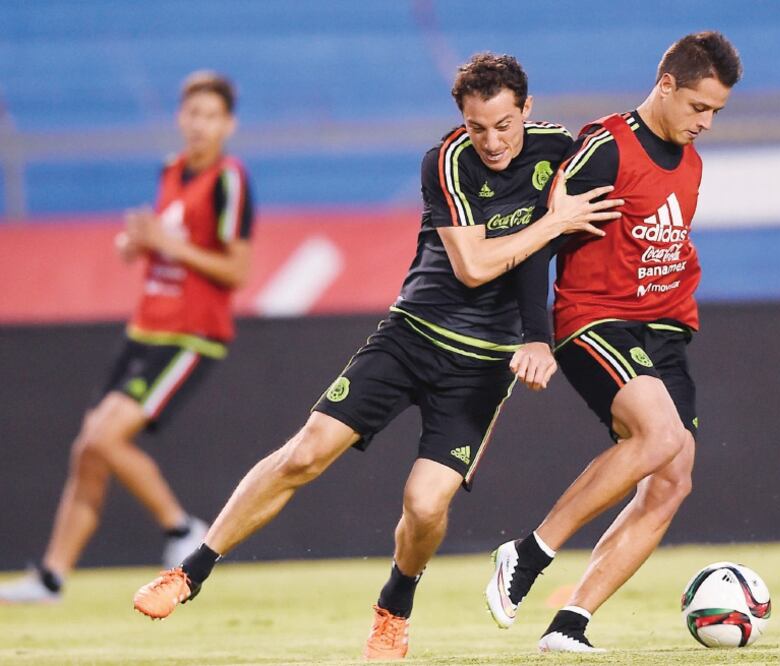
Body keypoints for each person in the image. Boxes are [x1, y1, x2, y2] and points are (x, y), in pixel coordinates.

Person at [132, 53, 620, 661]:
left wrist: (539, 333)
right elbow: (474, 267)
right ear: (461, 120)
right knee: (305, 453)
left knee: (425, 503)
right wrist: (552, 224)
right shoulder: (447, 162)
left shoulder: (559, 151)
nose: (492, 141)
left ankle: (395, 604)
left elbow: (563, 238)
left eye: (503, 124)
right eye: (476, 126)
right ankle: (191, 570)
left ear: (527, 108)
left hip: (482, 365)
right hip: (412, 335)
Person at [485, 32, 743, 652]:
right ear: (666, 86)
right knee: (658, 435)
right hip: (595, 320)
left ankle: (569, 623)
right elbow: (542, 236)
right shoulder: (605, 146)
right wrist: (537, 337)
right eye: (698, 107)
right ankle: (528, 553)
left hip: (665, 328)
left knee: (672, 477)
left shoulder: (693, 159)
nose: (706, 122)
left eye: (716, 112)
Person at [0, 71, 254, 603]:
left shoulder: (229, 181)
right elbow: (167, 237)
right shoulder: (171, 171)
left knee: (103, 438)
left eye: (212, 116)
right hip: (146, 328)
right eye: (193, 114)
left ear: (228, 124)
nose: (200, 125)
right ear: (180, 118)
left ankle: (180, 528)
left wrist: (168, 243)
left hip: (190, 335)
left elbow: (236, 270)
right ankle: (52, 577)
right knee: (88, 451)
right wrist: (137, 244)